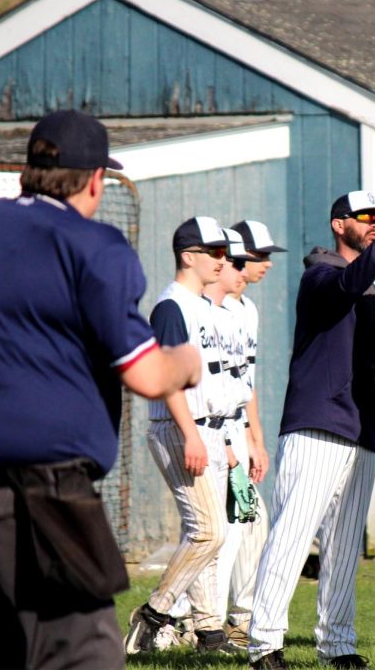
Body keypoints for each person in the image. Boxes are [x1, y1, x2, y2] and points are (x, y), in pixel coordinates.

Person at [0, 109, 201, 670]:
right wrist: (186, 362)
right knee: (86, 655)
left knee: (10, 652)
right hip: (43, 486)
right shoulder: (95, 245)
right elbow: (146, 375)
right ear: (96, 179)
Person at [248, 191, 375, 670]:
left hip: (361, 430)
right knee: (292, 536)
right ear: (338, 224)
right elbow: (348, 283)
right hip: (317, 426)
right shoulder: (320, 275)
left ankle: (337, 644)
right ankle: (264, 643)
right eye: (366, 218)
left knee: (346, 548)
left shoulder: (374, 294)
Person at [125, 216, 240, 655]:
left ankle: (209, 634)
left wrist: (225, 440)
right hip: (179, 427)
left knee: (207, 532)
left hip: (205, 428)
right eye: (213, 252)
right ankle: (154, 614)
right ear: (188, 256)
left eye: (223, 252)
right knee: (209, 531)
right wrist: (192, 435)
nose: (221, 259)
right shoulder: (172, 306)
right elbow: (169, 379)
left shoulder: (205, 307)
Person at [222, 219, 286, 647]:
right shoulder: (211, 306)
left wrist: (256, 440)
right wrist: (229, 446)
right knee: (224, 530)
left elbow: (247, 383)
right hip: (212, 427)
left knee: (249, 522)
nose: (264, 264)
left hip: (237, 426)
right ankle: (182, 617)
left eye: (266, 256)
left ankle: (233, 620)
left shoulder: (248, 309)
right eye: (257, 256)